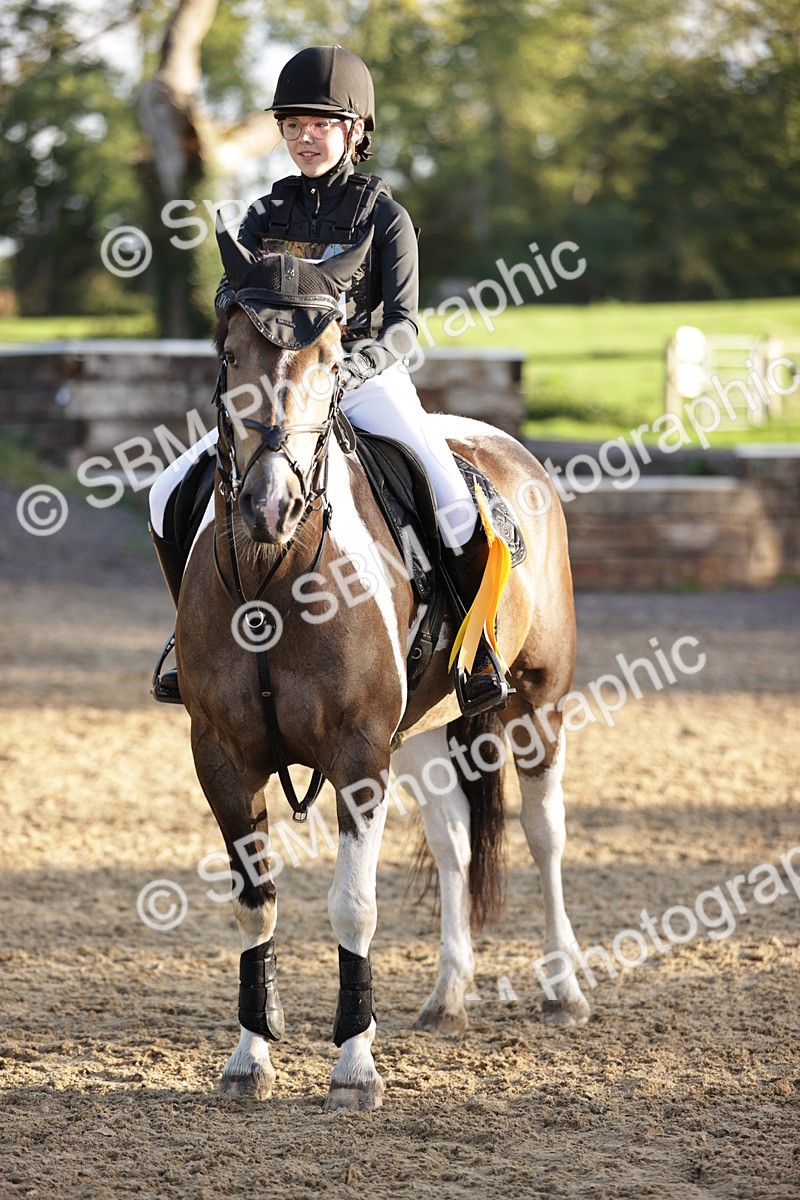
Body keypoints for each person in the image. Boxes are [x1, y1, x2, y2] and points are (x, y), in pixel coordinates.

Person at [149, 44, 509, 714]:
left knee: (456, 502)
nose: (303, 137)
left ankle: (476, 649)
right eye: (291, 125)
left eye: (319, 124)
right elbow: (232, 314)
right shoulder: (261, 219)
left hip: (366, 381)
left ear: (354, 130)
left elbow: (403, 326)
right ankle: (188, 642)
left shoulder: (387, 219)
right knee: (166, 490)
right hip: (273, 391)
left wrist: (343, 374)